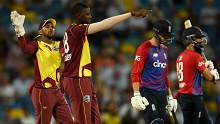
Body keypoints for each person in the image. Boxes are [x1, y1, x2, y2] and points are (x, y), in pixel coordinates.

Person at [60, 2, 152, 124]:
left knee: (96, 120)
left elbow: (63, 52)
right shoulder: (76, 30)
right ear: (78, 16)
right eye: (87, 14)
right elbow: (104, 24)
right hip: (77, 80)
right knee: (83, 121)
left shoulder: (70, 32)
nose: (90, 17)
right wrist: (131, 14)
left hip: (81, 79)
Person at [10, 11, 73, 124]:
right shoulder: (37, 45)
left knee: (68, 121)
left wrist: (65, 53)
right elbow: (25, 49)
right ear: (40, 31)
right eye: (47, 27)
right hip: (42, 91)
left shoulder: (59, 45)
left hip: (57, 91)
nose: (51, 29)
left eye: (52, 27)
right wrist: (19, 32)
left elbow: (65, 50)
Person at [130, 19, 177, 124]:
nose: (166, 38)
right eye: (164, 35)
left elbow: (165, 75)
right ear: (156, 33)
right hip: (148, 92)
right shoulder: (144, 48)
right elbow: (135, 73)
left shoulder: (165, 49)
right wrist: (137, 94)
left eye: (168, 35)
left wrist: (169, 96)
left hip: (162, 94)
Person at [175, 26, 219, 124]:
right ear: (190, 40)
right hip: (193, 97)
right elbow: (209, 77)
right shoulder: (195, 56)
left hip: (184, 97)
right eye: (198, 38)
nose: (201, 40)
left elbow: (190, 74)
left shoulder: (180, 57)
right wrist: (213, 75)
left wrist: (204, 67)